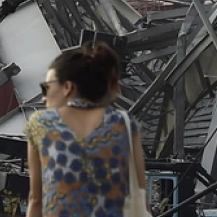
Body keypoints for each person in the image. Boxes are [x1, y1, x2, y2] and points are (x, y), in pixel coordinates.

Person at [25, 41, 146, 217]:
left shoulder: (40, 124)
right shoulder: (124, 123)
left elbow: (36, 199)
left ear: (68, 87)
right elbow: (140, 194)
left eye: (47, 87)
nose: (44, 98)